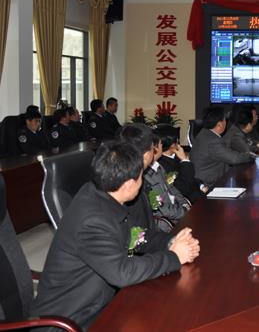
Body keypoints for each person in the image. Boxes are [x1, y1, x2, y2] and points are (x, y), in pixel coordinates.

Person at [32, 141, 200, 330]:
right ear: (128, 185)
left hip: (99, 304)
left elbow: (135, 235)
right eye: (141, 176)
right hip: (71, 321)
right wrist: (174, 257)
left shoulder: (101, 195)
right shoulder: (92, 220)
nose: (143, 181)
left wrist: (170, 242)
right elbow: (123, 272)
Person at [118, 124, 174, 251]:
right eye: (153, 147)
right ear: (147, 154)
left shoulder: (124, 175)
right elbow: (136, 238)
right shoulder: (130, 187)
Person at [190, 106, 255, 187]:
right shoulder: (213, 141)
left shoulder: (204, 133)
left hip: (204, 179)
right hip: (208, 184)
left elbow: (226, 154)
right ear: (219, 125)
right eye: (225, 120)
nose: (226, 122)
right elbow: (234, 159)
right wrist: (250, 156)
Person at [145, 134, 191, 231]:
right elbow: (163, 209)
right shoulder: (146, 176)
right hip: (167, 223)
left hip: (177, 212)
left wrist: (184, 205)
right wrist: (184, 212)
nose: (162, 147)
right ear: (154, 149)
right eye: (161, 144)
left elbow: (172, 188)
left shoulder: (158, 166)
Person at [156, 127, 207, 203]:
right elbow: (183, 189)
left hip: (197, 192)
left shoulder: (177, 155)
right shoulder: (161, 164)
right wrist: (185, 160)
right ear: (173, 145)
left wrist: (201, 186)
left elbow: (190, 176)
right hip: (185, 201)